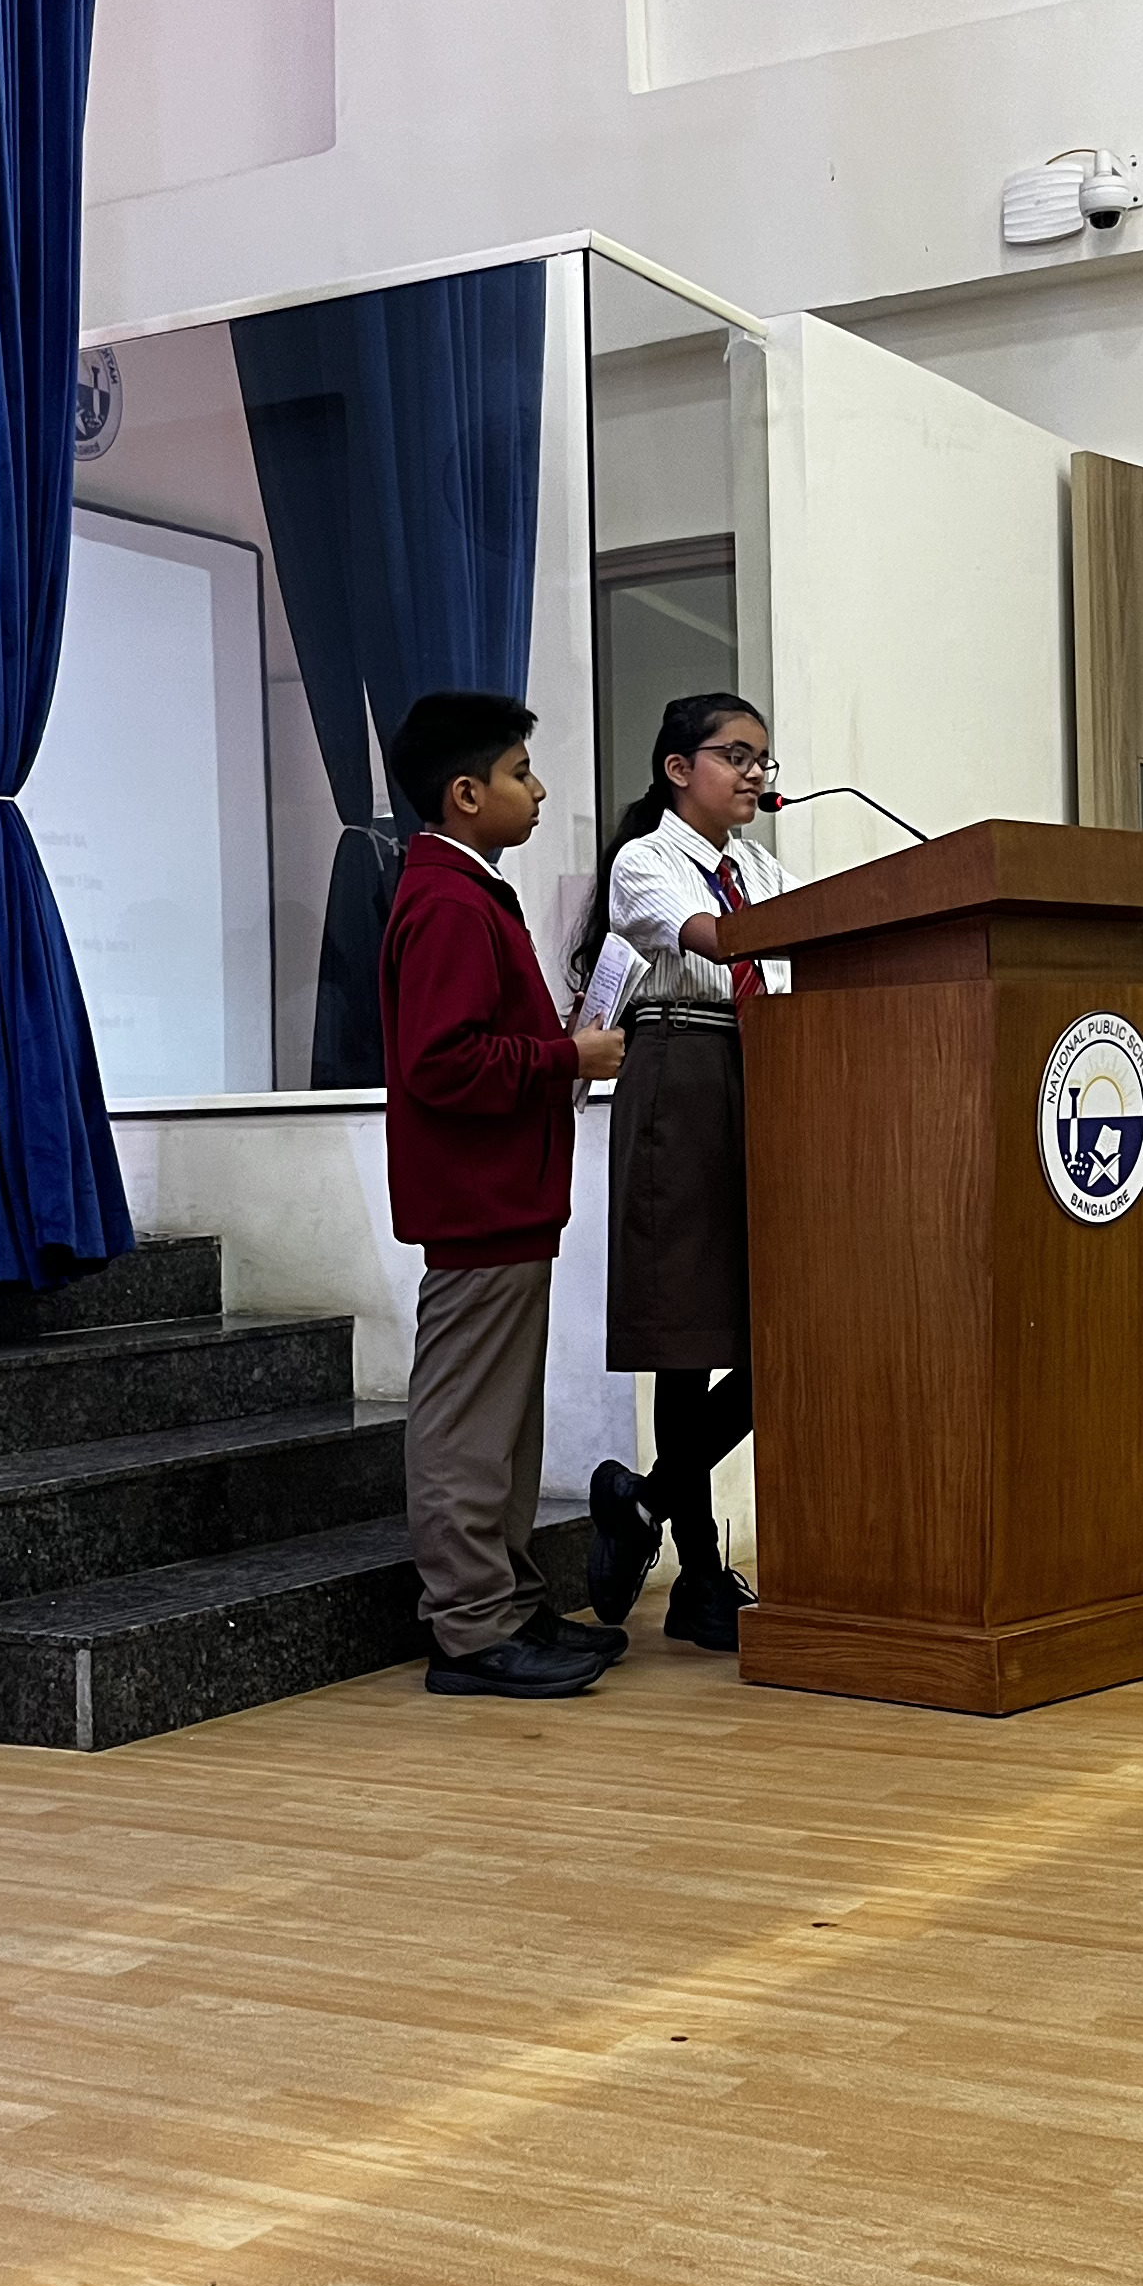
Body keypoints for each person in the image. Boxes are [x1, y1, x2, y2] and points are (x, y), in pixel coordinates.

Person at [380, 690, 633, 1697]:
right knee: (465, 1431)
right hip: (478, 1204)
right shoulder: (447, 903)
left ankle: (510, 1600)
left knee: (506, 1429)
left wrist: (556, 1048)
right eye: (522, 773)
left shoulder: (471, 892)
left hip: (509, 1203)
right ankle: (469, 1631)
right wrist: (566, 1055)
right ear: (466, 793)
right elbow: (442, 1063)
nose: (539, 790)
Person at [571, 693, 781, 1653]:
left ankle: (642, 1502)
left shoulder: (762, 869)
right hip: (681, 1078)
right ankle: (699, 1578)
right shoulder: (646, 860)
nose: (754, 775)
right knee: (687, 1337)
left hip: (763, 1073)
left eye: (762, 760)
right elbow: (715, 939)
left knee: (781, 1333)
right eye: (736, 755)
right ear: (678, 768)